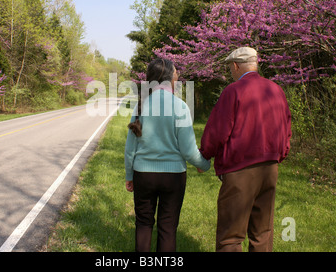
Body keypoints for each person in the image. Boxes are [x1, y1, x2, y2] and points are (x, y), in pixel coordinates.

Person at [199, 47, 292, 252]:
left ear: (235, 65)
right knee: (262, 233)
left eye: (230, 68)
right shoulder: (276, 90)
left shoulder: (234, 91)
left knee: (231, 235)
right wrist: (279, 156)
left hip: (240, 169)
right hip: (270, 168)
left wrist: (204, 155)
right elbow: (286, 128)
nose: (230, 72)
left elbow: (218, 130)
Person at [125, 58, 211, 252]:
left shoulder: (140, 106)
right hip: (173, 177)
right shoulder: (180, 107)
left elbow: (130, 148)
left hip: (143, 175)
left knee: (143, 224)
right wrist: (204, 164)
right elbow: (188, 150)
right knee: (168, 228)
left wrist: (129, 175)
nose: (178, 77)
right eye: (176, 74)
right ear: (169, 78)